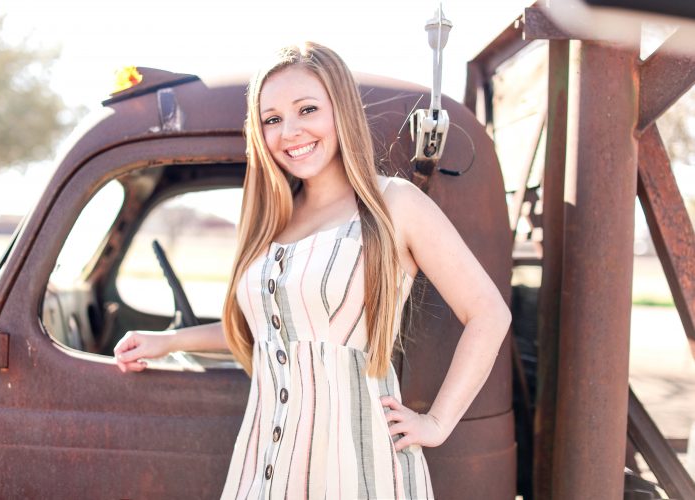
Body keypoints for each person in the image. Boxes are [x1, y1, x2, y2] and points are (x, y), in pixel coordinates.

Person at [114, 41, 511, 499]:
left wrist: (437, 422)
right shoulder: (273, 220)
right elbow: (271, 333)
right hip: (265, 463)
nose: (291, 131)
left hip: (357, 468)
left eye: (307, 109)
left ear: (340, 110)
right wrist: (168, 342)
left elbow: (488, 312)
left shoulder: (393, 204)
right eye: (273, 119)